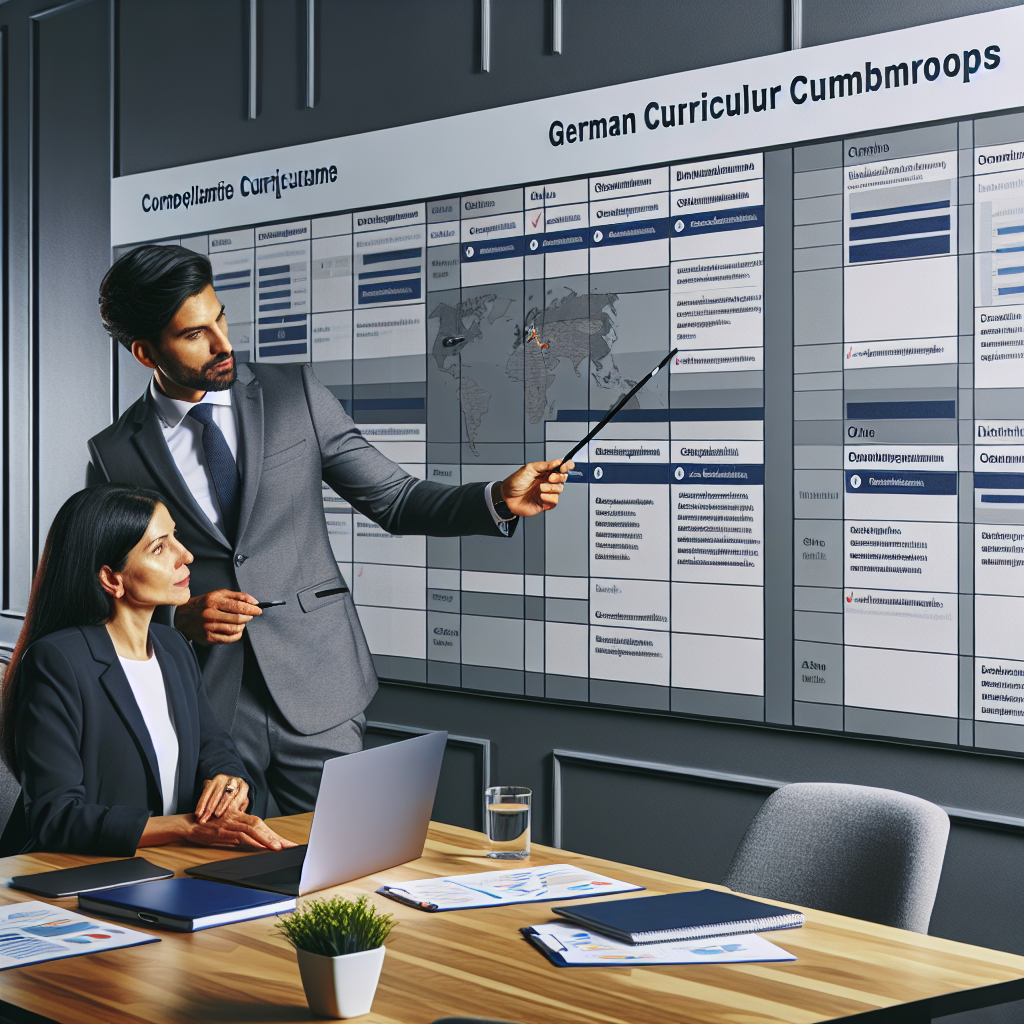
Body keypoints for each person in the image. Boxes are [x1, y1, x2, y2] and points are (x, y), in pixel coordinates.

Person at [88, 245, 574, 817]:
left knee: (339, 872)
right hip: (205, 707)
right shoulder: (114, 455)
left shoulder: (293, 394)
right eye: (195, 335)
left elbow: (395, 499)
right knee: (226, 877)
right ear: (146, 352)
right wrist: (179, 618)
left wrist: (495, 499)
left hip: (320, 685)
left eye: (220, 318)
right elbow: (103, 589)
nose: (223, 344)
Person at [0, 484, 295, 856]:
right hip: (77, 873)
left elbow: (213, 744)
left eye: (175, 536)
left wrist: (229, 782)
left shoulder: (172, 646)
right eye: (159, 547)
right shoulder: (57, 661)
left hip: (170, 862)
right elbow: (57, 817)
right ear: (111, 579)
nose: (185, 555)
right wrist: (188, 828)